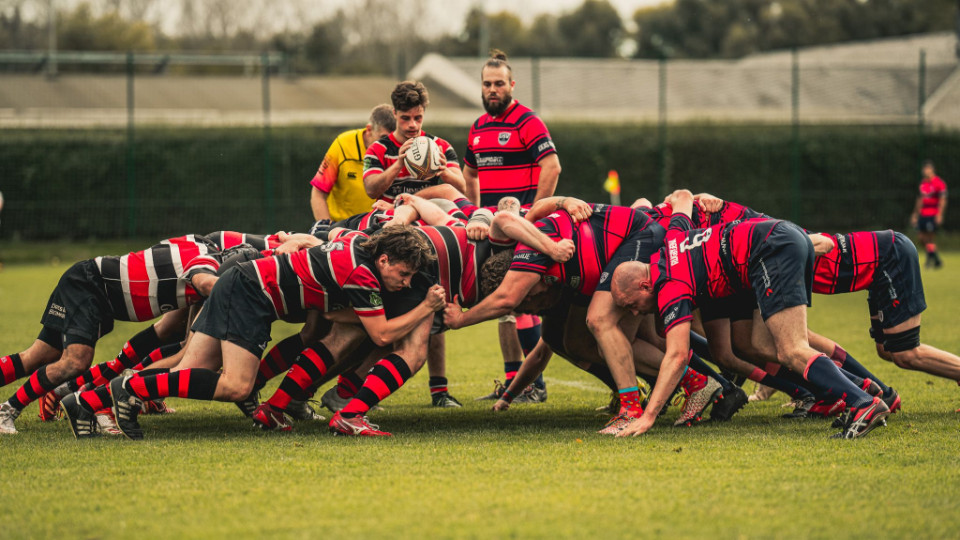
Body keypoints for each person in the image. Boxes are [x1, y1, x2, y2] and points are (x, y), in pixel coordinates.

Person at [610, 190, 889, 439]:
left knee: (792, 348)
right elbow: (683, 195)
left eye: (630, 303)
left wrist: (648, 417)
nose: (634, 312)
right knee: (760, 344)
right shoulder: (672, 239)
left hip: (770, 250)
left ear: (644, 284)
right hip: (779, 238)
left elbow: (677, 355)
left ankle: (864, 402)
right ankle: (859, 389)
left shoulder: (669, 284)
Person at [0, 235, 220, 434]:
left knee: (38, 356)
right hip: (89, 284)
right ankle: (7, 412)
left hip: (89, 283)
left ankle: (74, 397)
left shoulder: (201, 248)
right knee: (75, 362)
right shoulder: (208, 261)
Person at [463, 50, 562, 402]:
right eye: (487, 84)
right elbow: (470, 173)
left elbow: (552, 167)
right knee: (503, 307)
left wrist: (533, 216)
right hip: (493, 228)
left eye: (499, 84)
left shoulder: (527, 121)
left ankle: (534, 386)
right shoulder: (477, 128)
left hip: (520, 227)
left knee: (517, 303)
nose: (493, 89)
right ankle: (514, 382)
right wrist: (474, 211)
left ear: (511, 85)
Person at [363, 81, 466, 204]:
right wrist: (398, 165)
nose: (412, 125)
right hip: (390, 219)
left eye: (418, 118)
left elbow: (462, 189)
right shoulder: (377, 149)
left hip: (427, 219)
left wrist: (445, 172)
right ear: (395, 113)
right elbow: (370, 190)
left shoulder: (440, 146)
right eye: (405, 118)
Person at [310, 104, 396, 222]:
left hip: (382, 228)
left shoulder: (400, 151)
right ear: (369, 130)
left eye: (393, 138)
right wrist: (326, 228)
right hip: (342, 229)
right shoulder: (343, 145)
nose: (389, 145)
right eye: (383, 138)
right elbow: (318, 193)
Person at [910, 160, 947, 269]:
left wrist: (940, 214)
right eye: (924, 169)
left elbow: (943, 200)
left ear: (932, 170)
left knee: (930, 238)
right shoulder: (923, 183)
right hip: (923, 214)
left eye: (927, 169)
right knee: (921, 237)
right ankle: (935, 258)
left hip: (932, 214)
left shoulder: (939, 183)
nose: (925, 171)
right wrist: (915, 214)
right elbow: (920, 200)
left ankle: (931, 259)